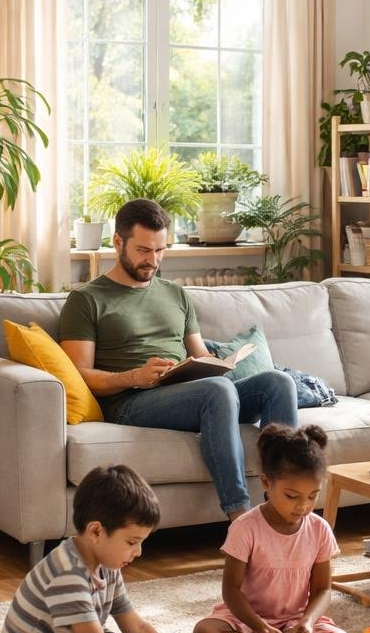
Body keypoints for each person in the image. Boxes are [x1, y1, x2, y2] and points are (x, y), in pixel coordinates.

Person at [58, 197, 298, 520]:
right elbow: (77, 374)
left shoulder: (175, 293)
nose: (153, 260)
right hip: (132, 401)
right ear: (117, 242)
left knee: (279, 383)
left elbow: (199, 354)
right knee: (218, 391)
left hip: (186, 391)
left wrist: (215, 363)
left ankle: (282, 509)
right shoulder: (86, 299)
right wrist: (134, 376)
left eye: (160, 250)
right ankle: (242, 519)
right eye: (143, 250)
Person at [0, 464, 213, 633]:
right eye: (132, 542)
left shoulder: (107, 564)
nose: (139, 552)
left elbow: (137, 627)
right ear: (96, 532)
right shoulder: (66, 574)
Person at [193, 424, 353, 633]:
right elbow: (231, 590)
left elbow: (323, 589)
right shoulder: (245, 527)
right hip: (246, 623)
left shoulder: (319, 529)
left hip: (294, 626)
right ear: (267, 482)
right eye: (291, 496)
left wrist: (308, 622)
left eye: (313, 496)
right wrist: (260, 627)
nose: (303, 506)